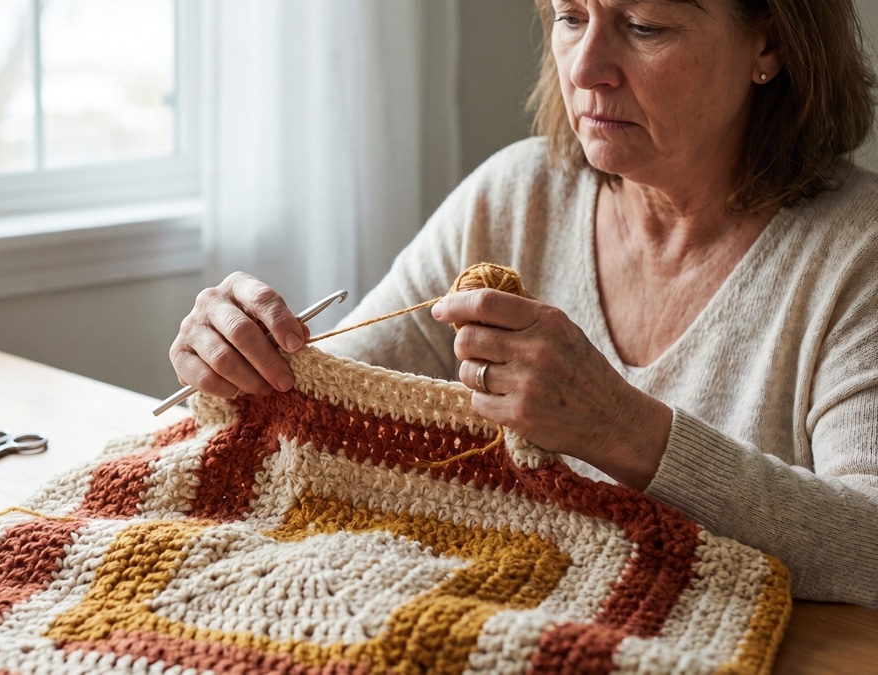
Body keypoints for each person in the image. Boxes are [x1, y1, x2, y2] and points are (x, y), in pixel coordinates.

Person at [168, 0, 878, 608]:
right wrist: (239, 359)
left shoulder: (857, 253)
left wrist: (627, 430)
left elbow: (868, 546)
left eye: (643, 25)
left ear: (770, 42)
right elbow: (326, 401)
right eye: (570, 16)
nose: (585, 67)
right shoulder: (513, 196)